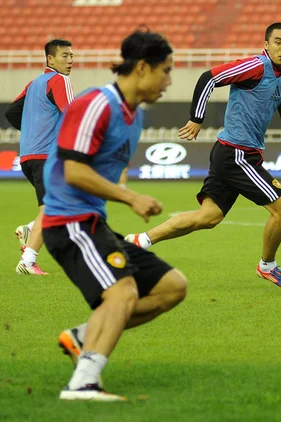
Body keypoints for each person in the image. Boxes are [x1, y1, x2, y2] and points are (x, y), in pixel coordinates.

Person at [125, 22, 281, 289]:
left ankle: (139, 241)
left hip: (237, 154)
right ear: (266, 44)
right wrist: (196, 118)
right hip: (236, 154)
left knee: (208, 217)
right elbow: (209, 77)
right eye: (278, 42)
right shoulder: (255, 66)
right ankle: (267, 266)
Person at [43, 30, 187, 401]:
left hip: (94, 222)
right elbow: (74, 170)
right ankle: (83, 383)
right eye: (166, 71)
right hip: (69, 222)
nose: (169, 81)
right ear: (142, 67)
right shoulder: (97, 103)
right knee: (122, 292)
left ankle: (83, 336)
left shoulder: (134, 116)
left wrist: (123, 197)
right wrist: (130, 197)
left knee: (172, 287)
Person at [5, 39, 75, 275]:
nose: (70, 60)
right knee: (52, 207)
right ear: (50, 59)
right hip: (47, 156)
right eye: (64, 56)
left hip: (28, 156)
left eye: (72, 56)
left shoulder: (34, 83)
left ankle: (29, 229)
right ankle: (27, 261)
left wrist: (34, 131)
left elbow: (12, 112)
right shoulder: (59, 80)